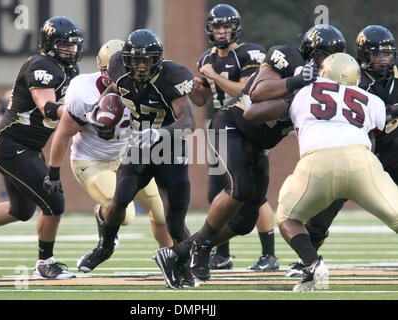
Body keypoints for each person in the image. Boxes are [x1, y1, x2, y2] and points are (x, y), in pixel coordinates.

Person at [151, 24, 346, 289]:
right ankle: (201, 248)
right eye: (327, 56)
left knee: (244, 222)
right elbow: (258, 92)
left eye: (336, 58)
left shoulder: (328, 84)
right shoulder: (288, 57)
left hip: (259, 142)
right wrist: (296, 80)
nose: (330, 64)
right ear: (313, 53)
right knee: (239, 188)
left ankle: (177, 253)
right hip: (233, 123)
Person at [244, 52, 398, 292]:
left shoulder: (303, 93)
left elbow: (251, 114)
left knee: (287, 217)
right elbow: (384, 117)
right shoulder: (369, 98)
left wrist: (289, 102)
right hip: (361, 162)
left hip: (317, 163)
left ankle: (312, 263)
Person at [0, 16, 83, 279]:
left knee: (21, 211)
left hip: (26, 147)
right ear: (50, 44)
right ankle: (45, 264)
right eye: (65, 45)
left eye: (74, 45)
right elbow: (47, 106)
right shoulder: (41, 65)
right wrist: (77, 113)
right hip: (11, 145)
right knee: (54, 202)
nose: (71, 50)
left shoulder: (69, 71)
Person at [74, 29, 197, 288]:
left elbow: (188, 121)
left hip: (169, 151)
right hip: (139, 148)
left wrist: (159, 133)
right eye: (136, 61)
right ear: (127, 60)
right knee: (119, 201)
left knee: (174, 223)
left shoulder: (173, 76)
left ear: (157, 60)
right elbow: (114, 87)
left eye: (146, 61)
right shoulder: (119, 68)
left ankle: (185, 268)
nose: (140, 66)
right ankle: (105, 246)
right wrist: (101, 106)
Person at [44, 39, 173, 273]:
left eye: (123, 70)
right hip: (92, 161)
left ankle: (172, 261)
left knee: (162, 212)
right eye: (110, 71)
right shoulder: (83, 90)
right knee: (124, 215)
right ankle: (105, 238)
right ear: (101, 69)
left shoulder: (147, 85)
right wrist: (53, 173)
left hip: (130, 157)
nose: (117, 76)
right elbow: (62, 134)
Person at [286, 25, 398, 277]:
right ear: (362, 56)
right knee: (320, 218)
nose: (383, 60)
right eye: (376, 55)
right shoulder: (353, 81)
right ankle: (308, 261)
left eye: (387, 54)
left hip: (393, 151)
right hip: (362, 154)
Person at [188, 3, 276, 271]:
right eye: (217, 27)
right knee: (218, 193)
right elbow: (204, 100)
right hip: (223, 130)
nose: (222, 32)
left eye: (226, 27)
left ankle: (268, 255)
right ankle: (221, 253)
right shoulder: (206, 58)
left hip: (248, 128)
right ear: (209, 30)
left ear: (235, 28)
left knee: (252, 194)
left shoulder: (249, 53)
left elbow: (247, 89)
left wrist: (213, 75)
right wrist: (192, 88)